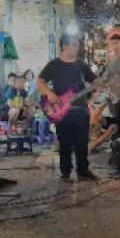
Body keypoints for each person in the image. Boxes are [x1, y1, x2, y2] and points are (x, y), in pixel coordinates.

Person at [37, 34, 99, 182]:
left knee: (82, 141)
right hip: (62, 111)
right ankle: (65, 172)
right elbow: (40, 82)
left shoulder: (81, 65)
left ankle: (83, 170)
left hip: (81, 109)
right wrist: (50, 94)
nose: (77, 48)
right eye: (74, 45)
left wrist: (94, 96)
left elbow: (96, 82)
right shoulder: (54, 65)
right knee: (64, 141)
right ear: (65, 46)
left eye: (77, 45)